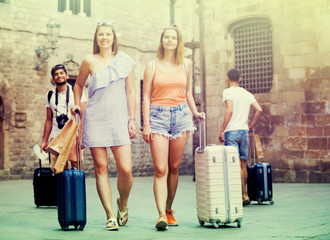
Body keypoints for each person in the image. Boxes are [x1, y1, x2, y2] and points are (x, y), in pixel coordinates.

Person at [70, 21, 136, 231]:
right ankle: (110, 215)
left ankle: (122, 204)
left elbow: (131, 92)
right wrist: (75, 104)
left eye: (108, 34)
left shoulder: (124, 61)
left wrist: (132, 118)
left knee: (126, 169)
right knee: (101, 168)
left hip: (119, 118)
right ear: (96, 38)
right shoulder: (88, 60)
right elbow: (78, 85)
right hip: (95, 118)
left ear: (114, 37)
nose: (104, 37)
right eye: (101, 34)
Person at [142, 24, 204, 231]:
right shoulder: (151, 65)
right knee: (161, 169)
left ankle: (169, 210)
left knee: (174, 167)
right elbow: (145, 96)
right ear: (161, 41)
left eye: (173, 38)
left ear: (178, 42)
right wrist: (146, 125)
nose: (169, 40)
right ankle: (160, 215)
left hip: (182, 116)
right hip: (158, 117)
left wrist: (195, 112)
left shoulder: (186, 64)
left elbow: (187, 94)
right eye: (166, 37)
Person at [218, 68, 262, 205]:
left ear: (227, 78)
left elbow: (229, 110)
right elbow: (259, 110)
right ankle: (244, 193)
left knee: (235, 164)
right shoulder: (246, 93)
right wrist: (252, 125)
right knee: (243, 164)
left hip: (232, 131)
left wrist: (222, 130)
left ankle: (243, 195)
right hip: (244, 131)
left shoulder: (227, 92)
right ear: (240, 78)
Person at [41, 64, 87, 170]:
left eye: (61, 73)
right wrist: (44, 141)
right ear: (53, 79)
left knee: (76, 168)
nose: (59, 76)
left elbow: (83, 116)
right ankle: (62, 187)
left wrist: (81, 137)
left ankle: (75, 187)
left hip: (73, 135)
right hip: (56, 136)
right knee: (59, 169)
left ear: (67, 76)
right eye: (56, 74)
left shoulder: (77, 93)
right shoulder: (49, 95)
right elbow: (48, 119)